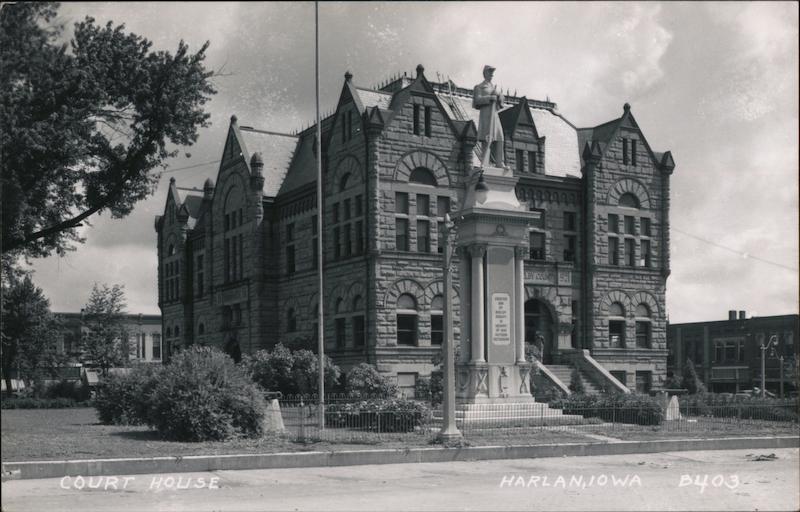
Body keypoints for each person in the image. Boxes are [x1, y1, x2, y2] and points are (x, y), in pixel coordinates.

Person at [473, 65, 506, 168]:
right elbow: (476, 101)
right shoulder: (479, 87)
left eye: (492, 72)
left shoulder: (493, 87)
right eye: (490, 72)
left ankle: (499, 162)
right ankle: (485, 162)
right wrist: (490, 98)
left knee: (500, 137)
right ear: (485, 73)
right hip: (486, 116)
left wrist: (500, 97)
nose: (492, 74)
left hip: (495, 116)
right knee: (487, 138)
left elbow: (501, 104)